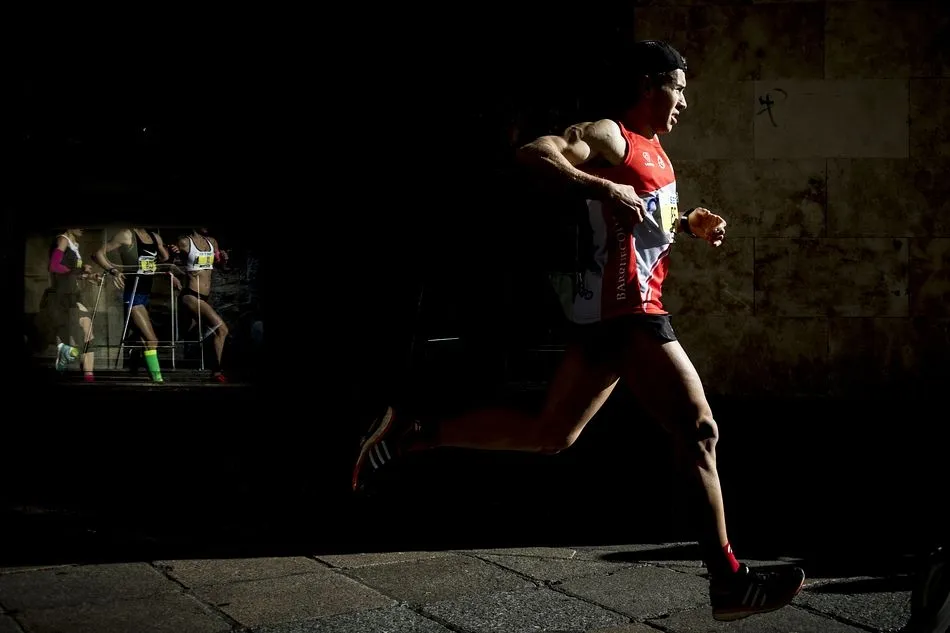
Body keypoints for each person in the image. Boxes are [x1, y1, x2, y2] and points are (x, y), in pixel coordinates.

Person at [350, 40, 806, 622]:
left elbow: (644, 218)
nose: (685, 102)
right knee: (700, 430)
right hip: (629, 312)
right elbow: (536, 153)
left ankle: (414, 431)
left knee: (551, 434)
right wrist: (601, 186)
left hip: (607, 318)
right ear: (648, 84)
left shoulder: (657, 153)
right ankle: (729, 582)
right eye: (679, 88)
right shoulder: (609, 134)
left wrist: (690, 224)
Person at [94, 227, 180, 383]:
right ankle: (157, 379)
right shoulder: (127, 235)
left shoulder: (155, 237)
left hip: (146, 295)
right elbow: (98, 254)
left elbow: (164, 261)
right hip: (132, 295)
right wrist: (113, 271)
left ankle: (143, 365)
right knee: (152, 340)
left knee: (146, 340)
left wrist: (173, 253)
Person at [168, 227, 229, 383]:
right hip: (190, 295)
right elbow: (168, 263)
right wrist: (173, 276)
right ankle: (217, 372)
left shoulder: (212, 242)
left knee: (192, 332)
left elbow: (220, 266)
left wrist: (223, 259)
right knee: (221, 329)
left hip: (205, 297)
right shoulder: (184, 242)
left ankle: (139, 344)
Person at [44, 228, 99, 381]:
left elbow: (70, 272)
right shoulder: (63, 240)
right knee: (76, 336)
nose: (83, 227)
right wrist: (80, 271)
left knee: (88, 330)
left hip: (74, 295)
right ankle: (65, 354)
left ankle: (89, 376)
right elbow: (54, 266)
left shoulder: (75, 244)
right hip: (62, 297)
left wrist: (87, 275)